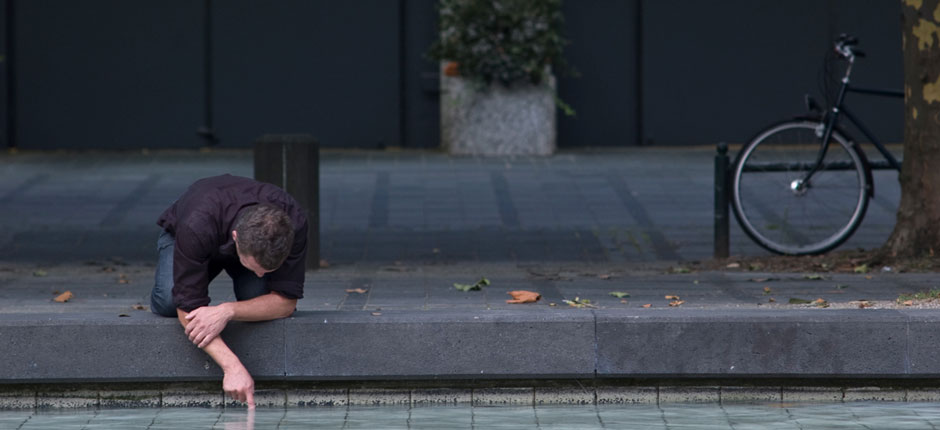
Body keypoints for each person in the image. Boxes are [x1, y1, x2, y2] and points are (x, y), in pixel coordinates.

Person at [151, 174, 307, 408]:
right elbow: (187, 309)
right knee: (169, 301)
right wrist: (232, 367)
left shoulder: (294, 221)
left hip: (236, 240)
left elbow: (286, 303)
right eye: (256, 268)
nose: (262, 275)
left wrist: (226, 311)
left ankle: (249, 274)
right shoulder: (195, 223)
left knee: (258, 296)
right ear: (236, 239)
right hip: (188, 235)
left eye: (268, 270)